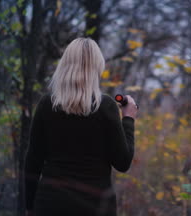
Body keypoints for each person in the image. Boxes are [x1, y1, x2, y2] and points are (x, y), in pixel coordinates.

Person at [24, 37, 138, 216]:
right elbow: (123, 162)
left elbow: (32, 162)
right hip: (95, 207)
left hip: (50, 205)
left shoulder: (47, 105)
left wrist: (30, 207)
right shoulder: (105, 107)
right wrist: (129, 119)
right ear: (95, 69)